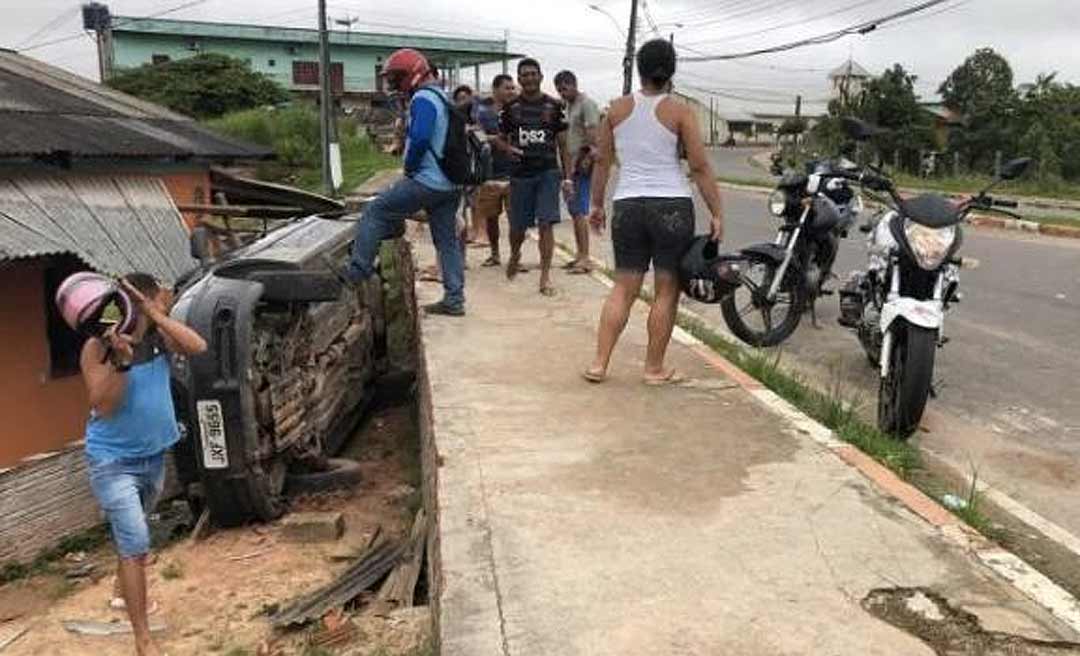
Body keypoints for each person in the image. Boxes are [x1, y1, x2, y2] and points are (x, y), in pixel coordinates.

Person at [74, 273, 207, 656]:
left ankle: (121, 589)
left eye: (137, 301)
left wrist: (158, 315)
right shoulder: (98, 347)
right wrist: (122, 364)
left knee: (131, 534)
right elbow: (104, 404)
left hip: (152, 457)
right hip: (112, 462)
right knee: (136, 542)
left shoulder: (161, 341)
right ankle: (143, 640)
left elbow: (197, 347)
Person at [583, 38, 725, 384]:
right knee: (666, 289)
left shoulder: (615, 110)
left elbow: (602, 162)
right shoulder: (680, 112)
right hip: (672, 205)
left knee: (623, 287)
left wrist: (597, 204)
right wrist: (717, 211)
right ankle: (653, 368)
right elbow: (700, 166)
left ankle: (600, 364)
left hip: (628, 205)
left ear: (640, 69)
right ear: (671, 71)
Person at [349, 48, 465, 316]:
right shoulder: (442, 97)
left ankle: (356, 273)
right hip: (450, 184)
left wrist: (410, 167)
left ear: (412, 75)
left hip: (427, 181)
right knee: (446, 241)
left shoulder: (423, 98)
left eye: (396, 78)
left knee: (376, 211)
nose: (393, 84)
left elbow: (421, 138)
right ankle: (454, 299)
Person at [497, 57, 573, 297]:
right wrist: (508, 149)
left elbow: (563, 144)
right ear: (519, 79)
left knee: (546, 223)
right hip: (520, 175)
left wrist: (567, 178)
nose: (529, 78)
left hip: (548, 173)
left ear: (540, 77)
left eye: (533, 74)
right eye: (524, 75)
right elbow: (499, 138)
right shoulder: (511, 109)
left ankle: (545, 277)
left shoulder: (554, 107)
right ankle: (515, 253)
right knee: (518, 227)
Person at [554, 69, 601, 275]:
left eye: (564, 88)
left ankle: (585, 258)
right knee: (574, 210)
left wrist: (586, 160)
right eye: (559, 90)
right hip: (571, 162)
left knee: (580, 210)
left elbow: (593, 138)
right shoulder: (570, 106)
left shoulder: (586, 104)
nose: (562, 93)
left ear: (574, 84)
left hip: (582, 162)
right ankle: (580, 254)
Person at [473, 74, 521, 268]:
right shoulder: (483, 113)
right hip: (490, 173)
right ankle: (495, 254)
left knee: (515, 219)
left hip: (514, 173)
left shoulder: (519, 112)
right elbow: (477, 136)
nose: (510, 91)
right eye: (506, 88)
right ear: (495, 90)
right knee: (491, 218)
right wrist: (496, 140)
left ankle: (515, 256)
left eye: (512, 88)